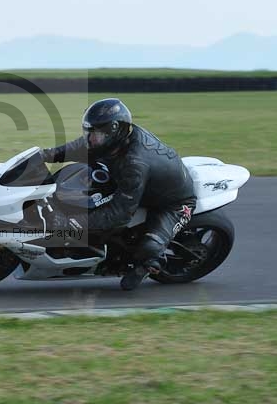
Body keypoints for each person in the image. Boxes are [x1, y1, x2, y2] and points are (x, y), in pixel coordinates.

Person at [41, 98, 196, 290]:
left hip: (174, 203)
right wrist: (46, 154)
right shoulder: (118, 140)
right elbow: (80, 147)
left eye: (95, 135)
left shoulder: (134, 164)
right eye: (89, 133)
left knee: (149, 248)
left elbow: (120, 215)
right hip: (141, 186)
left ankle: (148, 265)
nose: (90, 139)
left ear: (114, 132)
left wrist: (75, 223)